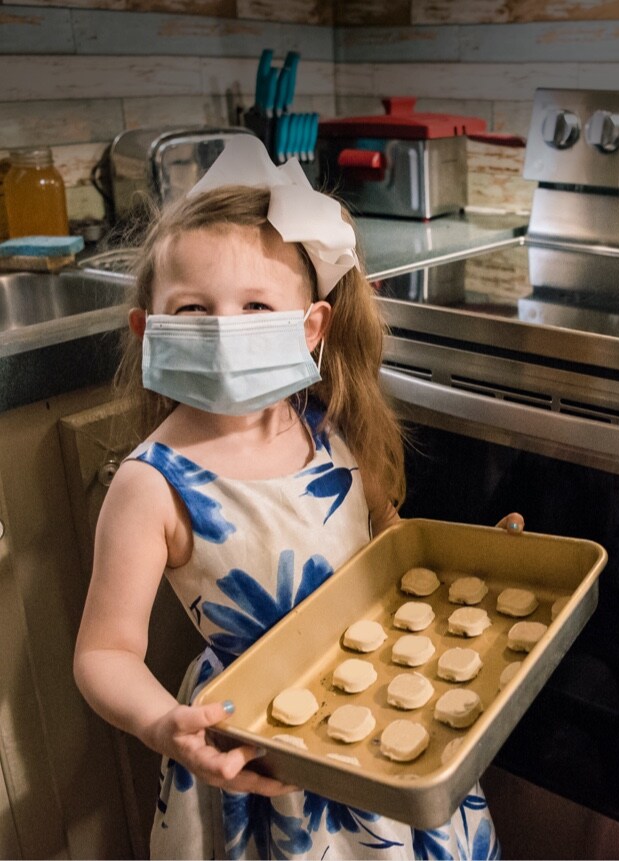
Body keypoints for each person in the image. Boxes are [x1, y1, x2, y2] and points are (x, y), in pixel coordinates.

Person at [73, 135, 524, 860]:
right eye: (192, 310)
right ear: (148, 330)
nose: (224, 329)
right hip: (257, 756)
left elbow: (387, 542)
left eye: (256, 305)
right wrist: (164, 723)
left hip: (379, 721)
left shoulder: (334, 430)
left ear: (310, 327)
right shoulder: (150, 483)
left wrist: (474, 566)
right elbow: (104, 650)